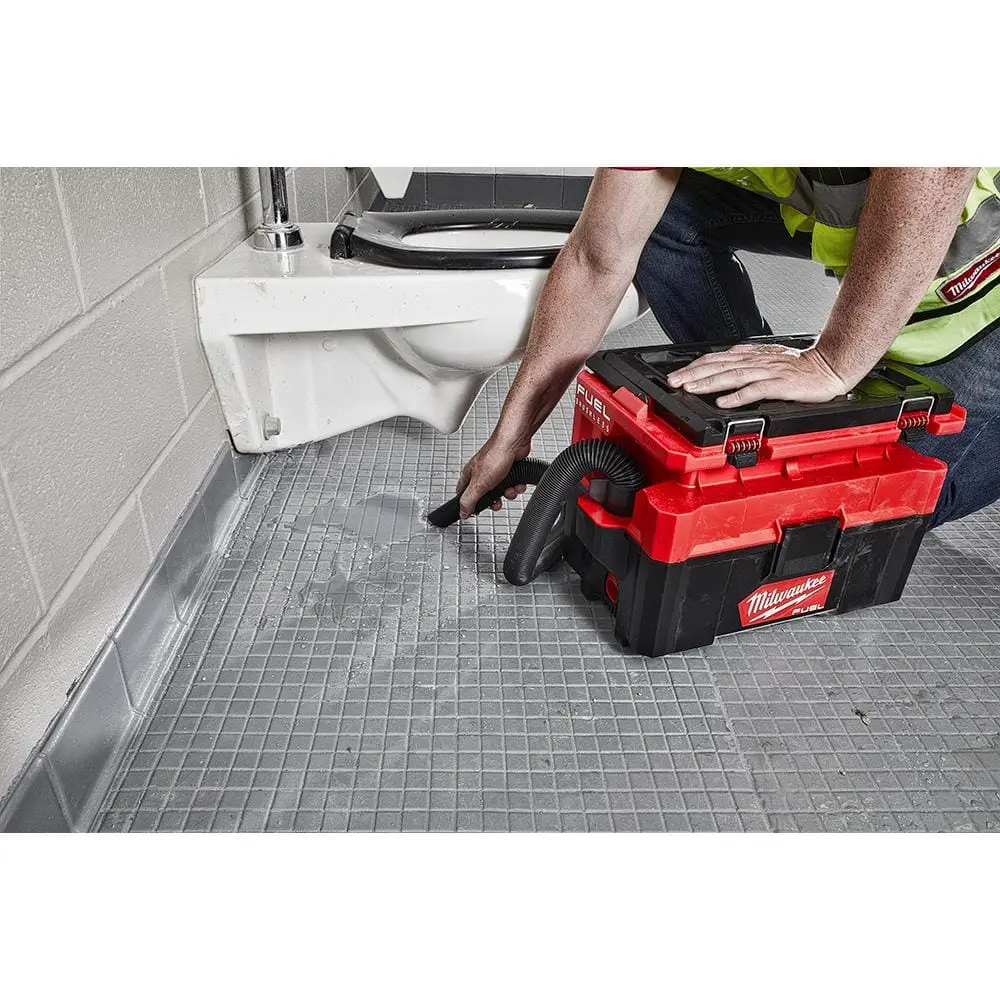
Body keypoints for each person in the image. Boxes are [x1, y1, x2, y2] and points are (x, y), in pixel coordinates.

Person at [456, 167, 1000, 528]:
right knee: (664, 216)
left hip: (976, 268)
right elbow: (599, 256)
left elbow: (934, 174)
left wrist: (832, 361)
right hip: (856, 208)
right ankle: (760, 426)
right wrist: (512, 435)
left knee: (890, 508)